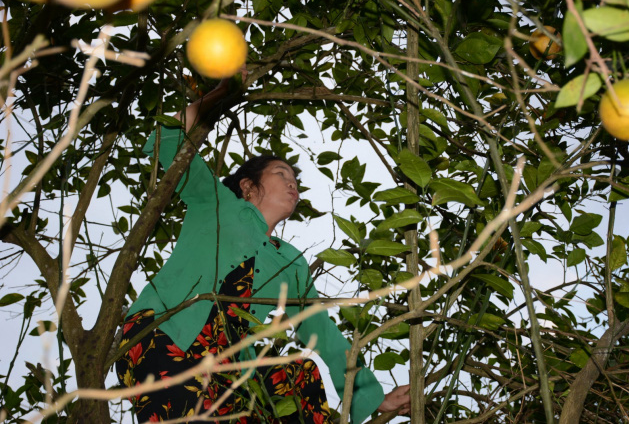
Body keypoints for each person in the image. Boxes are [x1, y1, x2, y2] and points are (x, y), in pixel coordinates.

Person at [115, 79, 411, 423]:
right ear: (247, 185)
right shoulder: (215, 202)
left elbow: (323, 333)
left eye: (296, 182)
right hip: (166, 331)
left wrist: (370, 397)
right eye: (281, 173)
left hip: (229, 366)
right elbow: (166, 142)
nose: (292, 184)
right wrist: (218, 96)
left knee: (299, 375)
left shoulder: (291, 262)